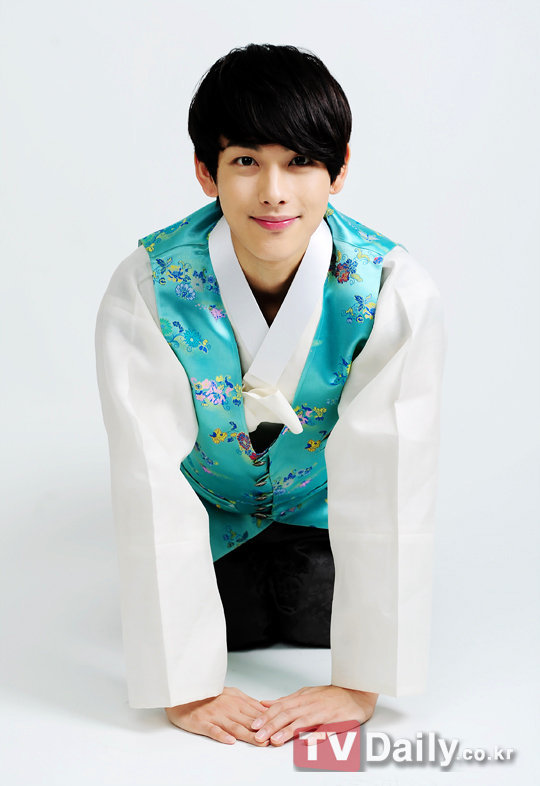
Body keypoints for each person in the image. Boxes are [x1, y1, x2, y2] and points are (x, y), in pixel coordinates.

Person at [95, 43, 446, 748]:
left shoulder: (388, 288)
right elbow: (148, 473)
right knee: (236, 621)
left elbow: (389, 469)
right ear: (207, 171)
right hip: (212, 513)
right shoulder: (148, 284)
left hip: (322, 511)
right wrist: (184, 685)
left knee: (313, 610)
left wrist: (359, 682)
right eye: (246, 161)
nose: (275, 192)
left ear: (339, 170)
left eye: (301, 162)